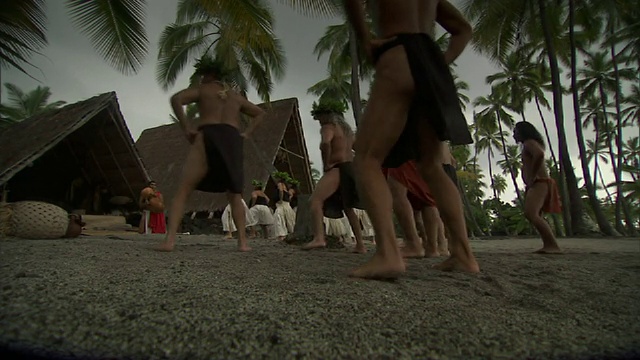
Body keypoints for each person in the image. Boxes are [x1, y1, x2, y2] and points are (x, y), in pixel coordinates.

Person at [344, 0, 479, 279]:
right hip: (430, 61)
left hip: (399, 53)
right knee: (430, 165)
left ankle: (388, 254)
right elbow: (463, 29)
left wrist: (365, 38)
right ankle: (464, 255)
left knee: (367, 158)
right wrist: (440, 61)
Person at [156, 56, 266, 252]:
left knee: (184, 189)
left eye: (202, 75)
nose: (200, 79)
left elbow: (176, 99)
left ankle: (169, 240)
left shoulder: (203, 90)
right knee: (234, 194)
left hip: (208, 133)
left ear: (210, 75)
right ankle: (242, 242)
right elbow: (259, 113)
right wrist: (247, 133)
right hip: (232, 138)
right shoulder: (235, 96)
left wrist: (186, 128)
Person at [302, 106, 366, 254]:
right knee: (347, 206)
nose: (318, 121)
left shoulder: (328, 127)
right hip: (350, 168)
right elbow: (359, 148)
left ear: (327, 115)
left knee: (315, 200)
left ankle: (319, 237)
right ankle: (361, 245)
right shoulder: (349, 133)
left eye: (319, 118)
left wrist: (326, 163)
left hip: (337, 167)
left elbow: (325, 143)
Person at [513, 121, 563, 254]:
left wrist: (532, 175)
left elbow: (539, 155)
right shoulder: (528, 144)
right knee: (533, 214)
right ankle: (549, 244)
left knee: (532, 214)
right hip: (538, 183)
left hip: (539, 182)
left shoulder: (529, 142)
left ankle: (552, 245)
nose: (513, 134)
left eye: (515, 131)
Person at [383, 161, 440, 258]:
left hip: (402, 151)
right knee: (425, 196)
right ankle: (432, 247)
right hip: (422, 153)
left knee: (396, 188)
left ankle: (413, 243)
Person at [274, 176, 296, 241]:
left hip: (282, 204)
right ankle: (292, 232)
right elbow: (290, 195)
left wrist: (281, 199)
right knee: (290, 219)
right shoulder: (286, 187)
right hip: (287, 204)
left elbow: (280, 191)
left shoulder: (280, 184)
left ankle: (282, 235)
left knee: (278, 218)